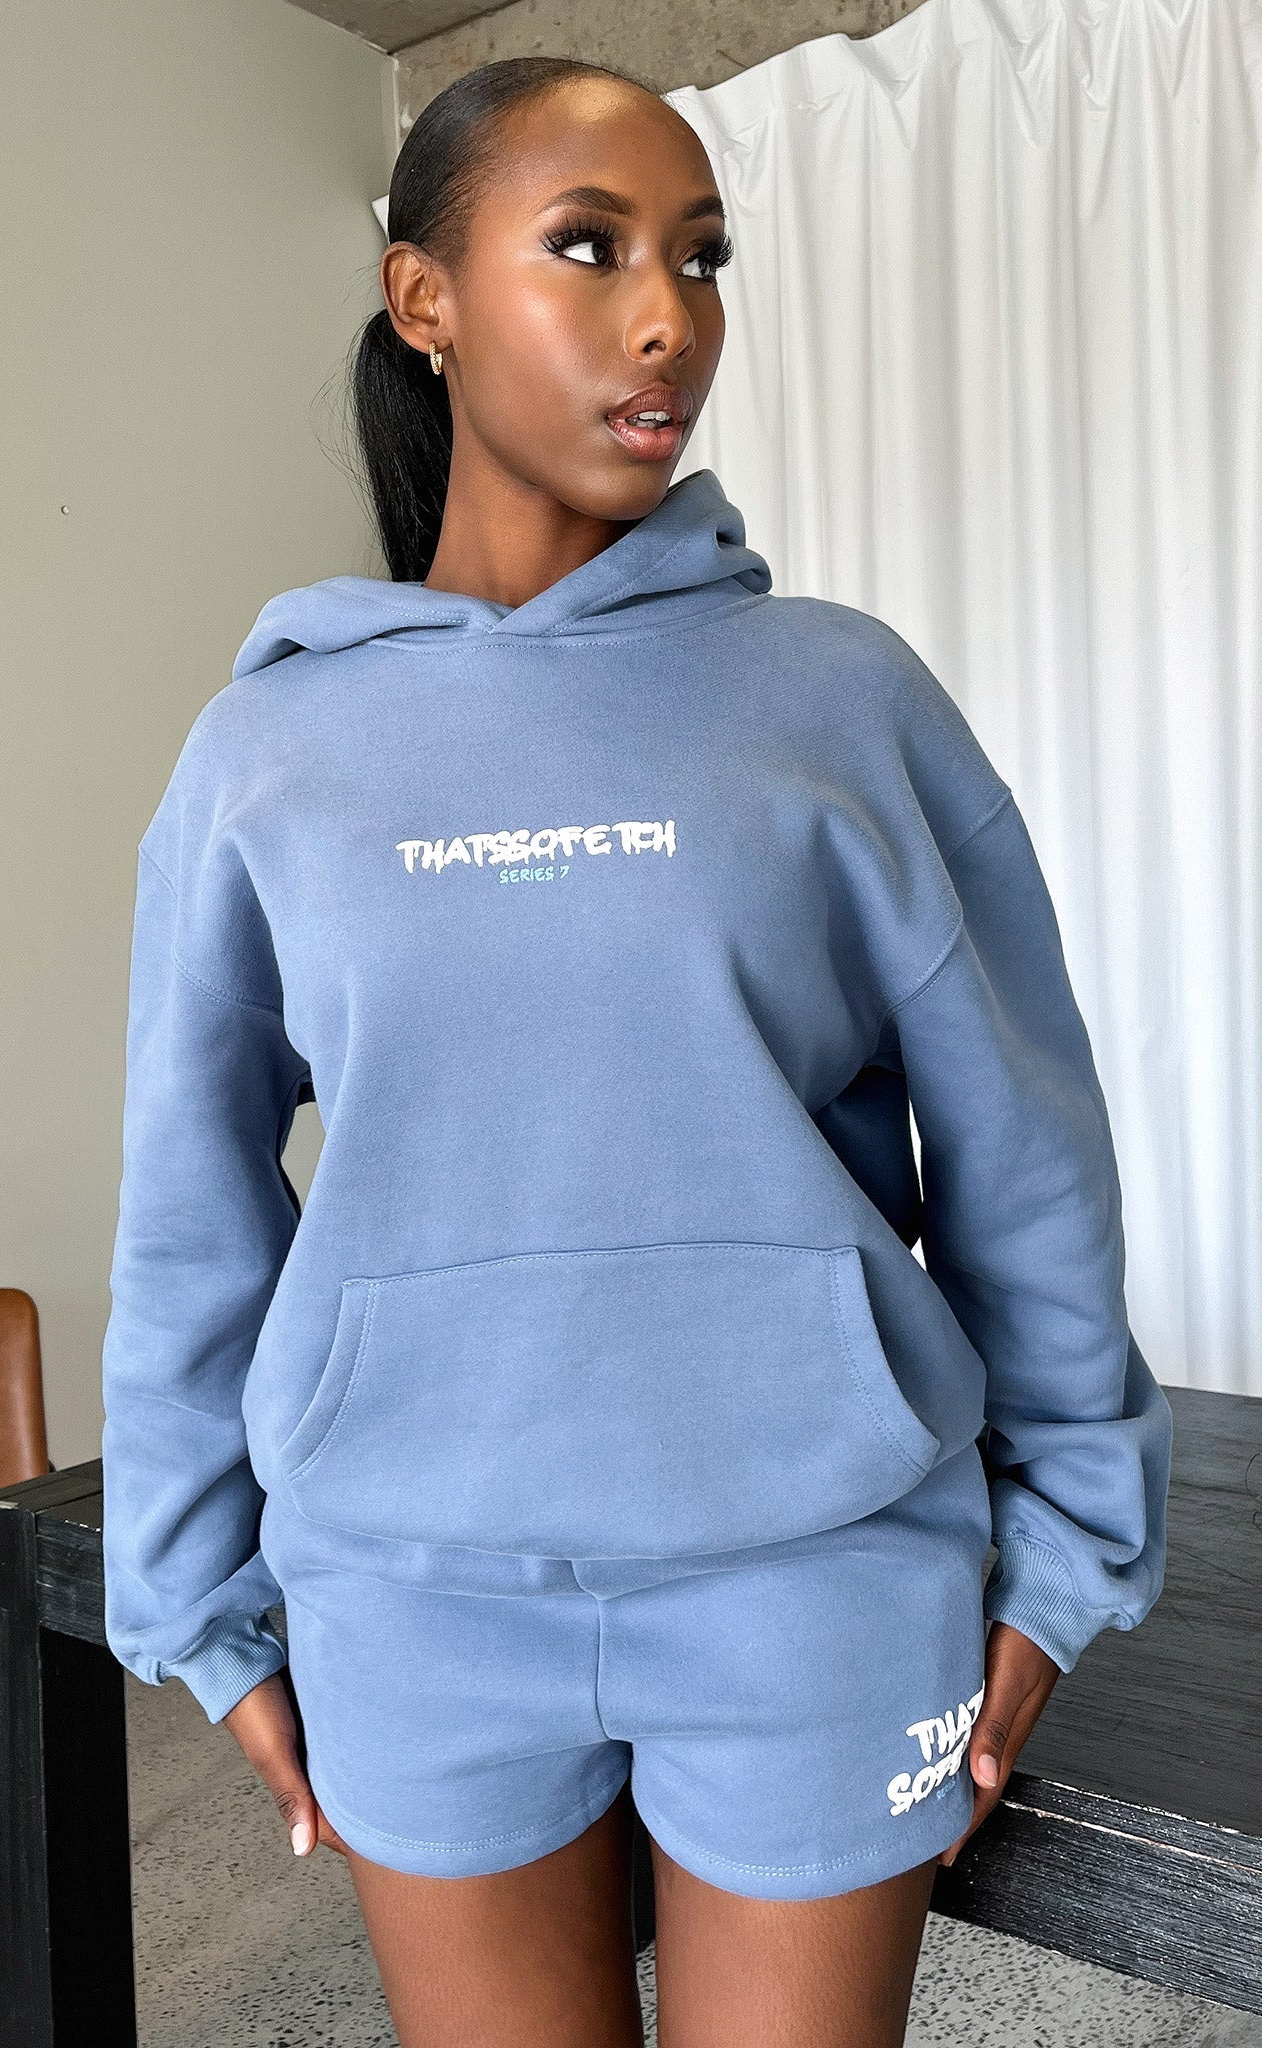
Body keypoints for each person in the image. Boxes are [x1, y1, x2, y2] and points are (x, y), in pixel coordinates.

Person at [99, 53, 1172, 2048]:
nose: (664, 315)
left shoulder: (837, 699)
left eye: (699, 256)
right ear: (422, 297)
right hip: (406, 1587)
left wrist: (1064, 1554)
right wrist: (193, 1596)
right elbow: (190, 1201)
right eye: (587, 247)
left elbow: (1023, 1152)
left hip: (815, 1576)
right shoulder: (269, 755)